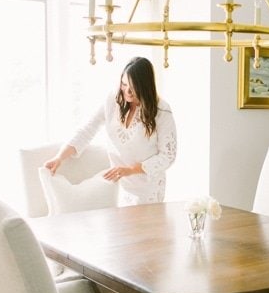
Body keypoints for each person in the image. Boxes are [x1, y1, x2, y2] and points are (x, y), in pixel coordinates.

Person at [45, 56, 177, 206]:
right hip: (118, 186)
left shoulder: (161, 110)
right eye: (124, 84)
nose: (127, 91)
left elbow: (168, 156)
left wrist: (130, 170)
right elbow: (88, 129)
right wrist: (59, 158)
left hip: (148, 188)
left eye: (133, 87)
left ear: (145, 86)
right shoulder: (113, 100)